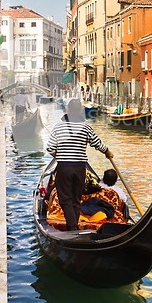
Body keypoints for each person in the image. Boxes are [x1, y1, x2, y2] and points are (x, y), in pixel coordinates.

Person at [46, 98, 114, 231]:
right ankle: (74, 227)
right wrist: (107, 152)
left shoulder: (59, 127)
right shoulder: (85, 127)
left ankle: (73, 228)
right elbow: (97, 143)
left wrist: (59, 155)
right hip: (80, 168)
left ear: (68, 110)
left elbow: (50, 148)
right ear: (80, 111)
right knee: (76, 199)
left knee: (65, 200)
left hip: (64, 167)